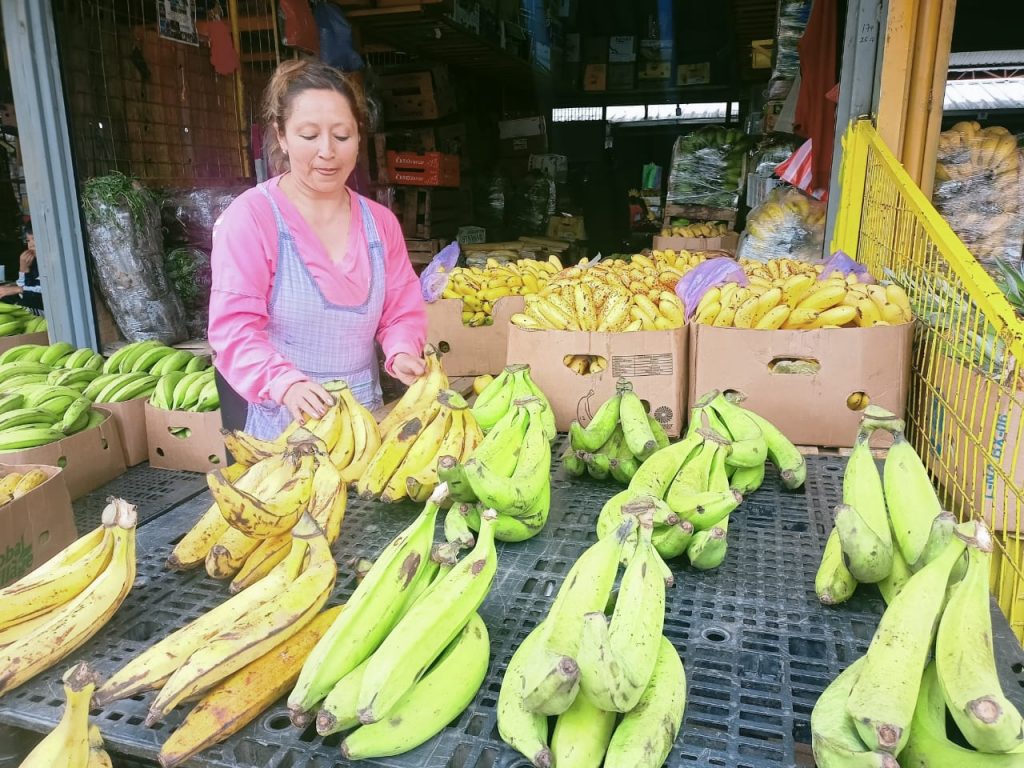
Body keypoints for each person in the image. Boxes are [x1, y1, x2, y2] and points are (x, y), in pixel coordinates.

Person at [208, 59, 427, 440]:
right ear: (281, 136)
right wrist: (285, 383)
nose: (327, 151)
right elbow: (233, 329)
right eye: (309, 135)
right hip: (283, 431)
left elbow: (400, 310)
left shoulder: (380, 224)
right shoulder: (252, 219)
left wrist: (404, 350)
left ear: (359, 136)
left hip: (364, 427)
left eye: (342, 136)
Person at [0, 224, 43, 312]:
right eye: (28, 240)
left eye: (34, 239)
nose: (31, 245)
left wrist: (18, 289)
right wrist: (23, 269)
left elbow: (47, 290)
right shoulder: (35, 263)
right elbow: (28, 288)